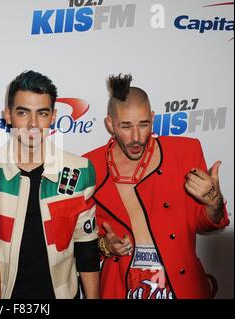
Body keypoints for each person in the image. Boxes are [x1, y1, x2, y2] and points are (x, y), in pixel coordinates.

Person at [85, 74, 230, 299]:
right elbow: (76, 242)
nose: (136, 137)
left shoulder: (184, 152)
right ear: (110, 124)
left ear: (152, 118)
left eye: (143, 124)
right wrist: (105, 246)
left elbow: (205, 224)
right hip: (121, 284)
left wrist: (214, 201)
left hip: (180, 282)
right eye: (125, 126)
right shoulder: (90, 167)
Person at [0, 71, 100, 299]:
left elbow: (86, 246)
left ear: (53, 116)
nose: (32, 124)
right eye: (23, 113)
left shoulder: (79, 171)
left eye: (42, 113)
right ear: (8, 115)